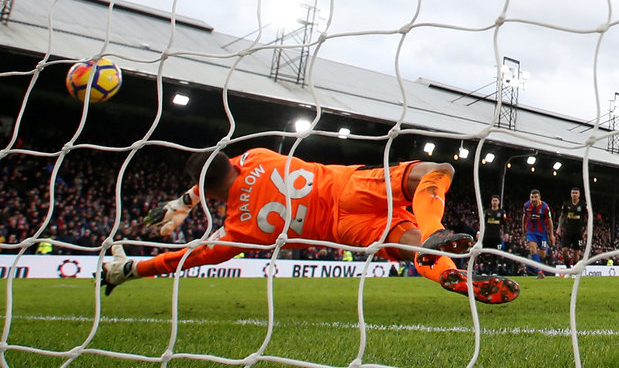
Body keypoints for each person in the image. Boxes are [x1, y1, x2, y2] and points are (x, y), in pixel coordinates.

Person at [100, 148, 519, 304]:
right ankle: (434, 230)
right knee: (436, 170)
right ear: (229, 162)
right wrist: (183, 201)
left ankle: (448, 274)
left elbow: (187, 259)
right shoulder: (254, 156)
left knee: (412, 247)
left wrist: (133, 268)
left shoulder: (238, 231)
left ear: (210, 193)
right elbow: (220, 168)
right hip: (347, 187)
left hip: (340, 230)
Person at [522, 189, 555, 278]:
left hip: (542, 233)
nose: (533, 199)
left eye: (535, 197)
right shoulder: (526, 205)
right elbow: (524, 217)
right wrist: (523, 229)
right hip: (531, 232)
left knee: (542, 255)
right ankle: (539, 272)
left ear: (539, 197)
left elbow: (550, 221)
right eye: (532, 197)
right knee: (533, 249)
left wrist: (551, 234)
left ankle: (537, 259)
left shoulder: (545, 207)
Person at [557, 187, 589, 268]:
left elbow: (589, 217)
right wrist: (559, 228)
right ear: (571, 194)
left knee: (576, 252)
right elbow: (562, 216)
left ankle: (574, 270)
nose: (574, 194)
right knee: (564, 250)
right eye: (573, 193)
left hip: (578, 232)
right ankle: (568, 267)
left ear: (579, 194)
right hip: (568, 231)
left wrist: (587, 230)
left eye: (576, 193)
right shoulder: (566, 204)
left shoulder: (583, 204)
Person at [480, 194, 509, 275]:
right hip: (487, 236)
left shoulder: (502, 212)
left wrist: (506, 233)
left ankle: (494, 271)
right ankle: (485, 271)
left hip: (496, 236)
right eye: (493, 200)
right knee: (485, 253)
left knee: (496, 254)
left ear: (498, 202)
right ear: (491, 202)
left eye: (496, 201)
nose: (495, 202)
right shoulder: (487, 212)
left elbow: (505, 224)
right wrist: (479, 232)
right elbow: (482, 223)